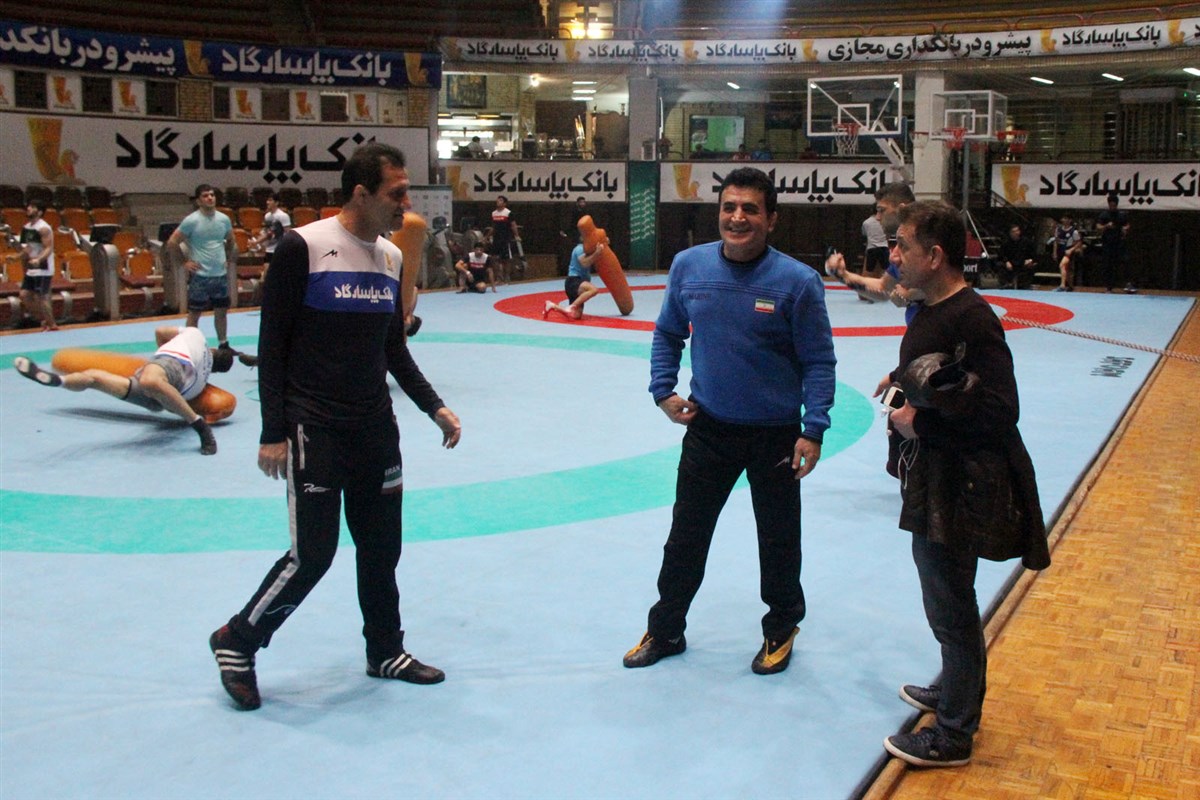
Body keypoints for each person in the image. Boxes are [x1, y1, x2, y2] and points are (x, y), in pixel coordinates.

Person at [208, 142, 463, 711]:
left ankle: (385, 650)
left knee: (381, 548)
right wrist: (273, 431)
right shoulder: (303, 247)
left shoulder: (390, 258)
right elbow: (272, 346)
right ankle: (238, 640)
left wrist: (434, 406)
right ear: (361, 194)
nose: (406, 205)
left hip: (375, 429)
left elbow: (392, 349)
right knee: (313, 555)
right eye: (397, 194)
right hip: (315, 428)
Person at [623, 167, 836, 675]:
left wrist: (813, 429)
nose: (737, 217)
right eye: (729, 207)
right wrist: (662, 391)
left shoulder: (798, 282)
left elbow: (818, 361)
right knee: (686, 536)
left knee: (778, 539)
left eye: (750, 209)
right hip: (710, 428)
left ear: (771, 219)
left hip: (776, 435)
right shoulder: (689, 266)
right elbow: (668, 332)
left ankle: (781, 628)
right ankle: (666, 629)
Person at [878, 200, 1048, 768]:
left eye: (902, 245)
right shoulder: (931, 307)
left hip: (959, 485)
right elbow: (939, 373)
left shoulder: (972, 318)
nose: (894, 255)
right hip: (935, 477)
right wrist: (900, 379)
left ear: (935, 255)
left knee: (951, 602)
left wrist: (919, 422)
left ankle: (953, 733)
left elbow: (1000, 409)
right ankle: (955, 688)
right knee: (943, 596)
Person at [13, 325, 236, 455]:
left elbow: (160, 331)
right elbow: (177, 403)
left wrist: (160, 356)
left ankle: (199, 427)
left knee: (123, 379)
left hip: (167, 367)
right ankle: (57, 381)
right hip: (160, 400)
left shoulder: (196, 335)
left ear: (214, 349)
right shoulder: (202, 381)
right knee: (95, 378)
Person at [825, 183, 921, 318]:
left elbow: (946, 285)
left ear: (901, 210)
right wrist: (843, 275)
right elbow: (883, 288)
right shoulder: (903, 247)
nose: (878, 217)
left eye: (882, 210)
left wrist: (911, 295)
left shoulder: (929, 238)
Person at [167, 184, 237, 348]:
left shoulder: (224, 219)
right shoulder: (191, 221)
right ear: (198, 201)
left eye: (212, 195)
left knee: (221, 312)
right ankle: (189, 345)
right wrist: (184, 262)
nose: (210, 198)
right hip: (200, 276)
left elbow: (231, 240)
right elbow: (172, 242)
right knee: (195, 312)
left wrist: (226, 258)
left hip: (220, 275)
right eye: (205, 196)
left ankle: (223, 343)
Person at [17, 201, 57, 331]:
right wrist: (16, 257)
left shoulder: (43, 228)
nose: (28, 208)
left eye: (32, 207)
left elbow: (48, 248)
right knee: (24, 295)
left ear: (39, 212)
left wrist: (39, 259)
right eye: (28, 206)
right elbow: (29, 247)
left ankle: (52, 325)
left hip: (43, 268)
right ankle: (44, 319)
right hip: (32, 268)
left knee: (42, 297)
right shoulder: (27, 228)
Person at [543, 238, 602, 319]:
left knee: (575, 316)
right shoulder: (580, 249)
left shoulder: (589, 251)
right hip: (573, 281)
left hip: (579, 283)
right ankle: (571, 306)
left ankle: (551, 305)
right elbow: (584, 263)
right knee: (593, 290)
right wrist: (597, 253)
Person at [1096, 194, 1133, 293]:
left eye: (1114, 205)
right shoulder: (1104, 215)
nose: (1112, 207)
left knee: (1125, 262)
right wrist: (1106, 226)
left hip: (1119, 243)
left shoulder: (1121, 215)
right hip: (1108, 243)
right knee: (1108, 265)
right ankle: (1109, 287)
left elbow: (1127, 225)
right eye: (1111, 205)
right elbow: (1098, 226)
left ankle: (1128, 284)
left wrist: (1125, 229)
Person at [247, 193, 292, 266]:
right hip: (269, 249)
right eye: (267, 200)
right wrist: (257, 242)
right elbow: (266, 232)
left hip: (280, 250)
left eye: (270, 200)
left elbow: (288, 233)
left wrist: (257, 242)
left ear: (276, 203)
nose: (267, 202)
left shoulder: (283, 216)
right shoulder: (267, 216)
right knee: (267, 269)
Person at [489, 195, 520, 284]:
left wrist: (517, 235)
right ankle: (499, 278)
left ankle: (507, 278)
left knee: (506, 260)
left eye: (500, 200)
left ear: (505, 203)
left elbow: (513, 225)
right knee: (494, 259)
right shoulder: (494, 213)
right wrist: (487, 237)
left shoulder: (508, 213)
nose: (498, 201)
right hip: (496, 239)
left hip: (506, 239)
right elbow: (493, 227)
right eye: (497, 200)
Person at [996, 223, 1036, 289]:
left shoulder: (1026, 242)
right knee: (1000, 265)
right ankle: (1006, 284)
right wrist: (1006, 261)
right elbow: (1001, 255)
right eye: (1013, 231)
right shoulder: (1006, 243)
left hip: (1023, 262)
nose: (1016, 233)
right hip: (1011, 263)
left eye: (1017, 231)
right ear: (1010, 233)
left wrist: (1030, 260)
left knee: (1031, 267)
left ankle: (1025, 285)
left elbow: (1033, 254)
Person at [1050, 214, 1084, 292]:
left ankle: (1062, 285)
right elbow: (1056, 241)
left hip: (1068, 252)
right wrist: (1054, 252)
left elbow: (1079, 242)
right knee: (1066, 269)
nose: (1064, 220)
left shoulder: (1073, 231)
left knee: (1062, 265)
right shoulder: (1058, 230)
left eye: (1066, 218)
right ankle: (1070, 286)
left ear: (1070, 220)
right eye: (1063, 218)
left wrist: (1071, 250)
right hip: (1060, 251)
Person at [861, 207, 890, 277]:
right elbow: (888, 235)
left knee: (869, 270)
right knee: (886, 270)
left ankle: (868, 283)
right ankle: (887, 282)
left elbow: (864, 234)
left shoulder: (866, 222)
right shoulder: (885, 222)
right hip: (884, 247)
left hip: (872, 248)